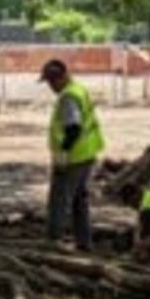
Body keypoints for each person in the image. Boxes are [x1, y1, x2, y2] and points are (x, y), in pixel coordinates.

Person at [40, 58, 104, 251]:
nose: (50, 87)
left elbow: (73, 128)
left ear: (60, 79)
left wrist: (63, 153)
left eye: (51, 82)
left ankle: (53, 242)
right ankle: (84, 242)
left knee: (59, 199)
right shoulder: (78, 88)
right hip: (87, 152)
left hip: (74, 157)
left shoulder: (68, 97)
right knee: (79, 200)